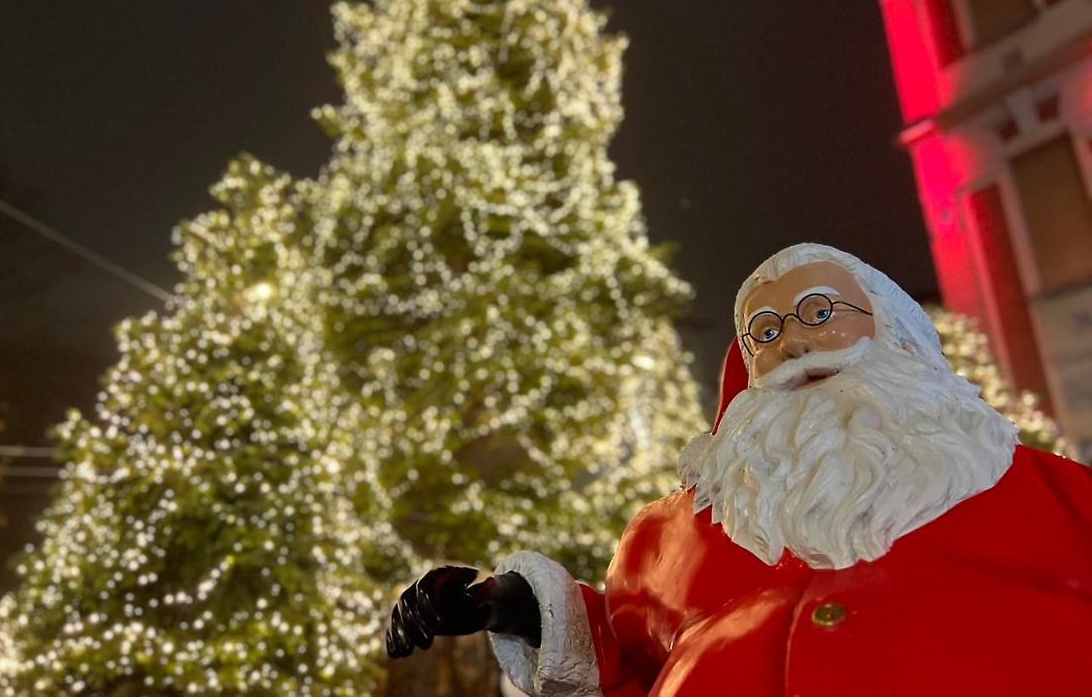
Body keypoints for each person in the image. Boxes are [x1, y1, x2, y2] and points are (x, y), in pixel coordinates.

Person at [385, 243, 1092, 696]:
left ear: (899, 334)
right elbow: (624, 648)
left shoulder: (1055, 493)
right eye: (766, 331)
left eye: (819, 311)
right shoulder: (676, 529)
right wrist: (505, 602)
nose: (794, 343)